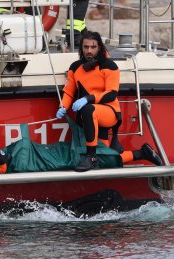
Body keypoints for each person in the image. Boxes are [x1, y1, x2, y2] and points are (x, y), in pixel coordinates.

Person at [55, 31, 163, 172]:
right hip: (89, 118)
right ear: (81, 48)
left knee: (88, 109)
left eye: (93, 47)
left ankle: (91, 157)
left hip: (109, 113)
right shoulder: (75, 67)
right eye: (86, 47)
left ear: (99, 47)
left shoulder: (110, 66)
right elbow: (69, 92)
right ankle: (142, 153)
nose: (89, 51)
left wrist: (88, 99)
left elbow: (111, 94)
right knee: (107, 161)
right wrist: (62, 106)